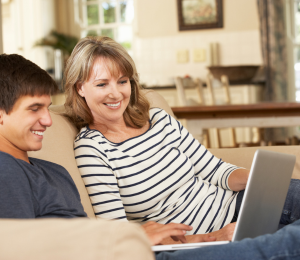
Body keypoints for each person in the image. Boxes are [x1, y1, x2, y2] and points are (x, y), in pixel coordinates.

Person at [64, 36, 300, 245]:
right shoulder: (92, 149)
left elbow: (214, 170)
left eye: (122, 81)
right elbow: (119, 233)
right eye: (102, 84)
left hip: (240, 204)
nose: (116, 93)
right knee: (291, 242)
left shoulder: (157, 119)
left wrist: (255, 178)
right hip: (200, 239)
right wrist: (211, 237)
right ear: (80, 88)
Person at [0, 53, 209, 246]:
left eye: (47, 108)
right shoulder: (6, 171)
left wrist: (205, 238)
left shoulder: (55, 172)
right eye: (34, 109)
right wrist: (130, 237)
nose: (48, 120)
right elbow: (19, 251)